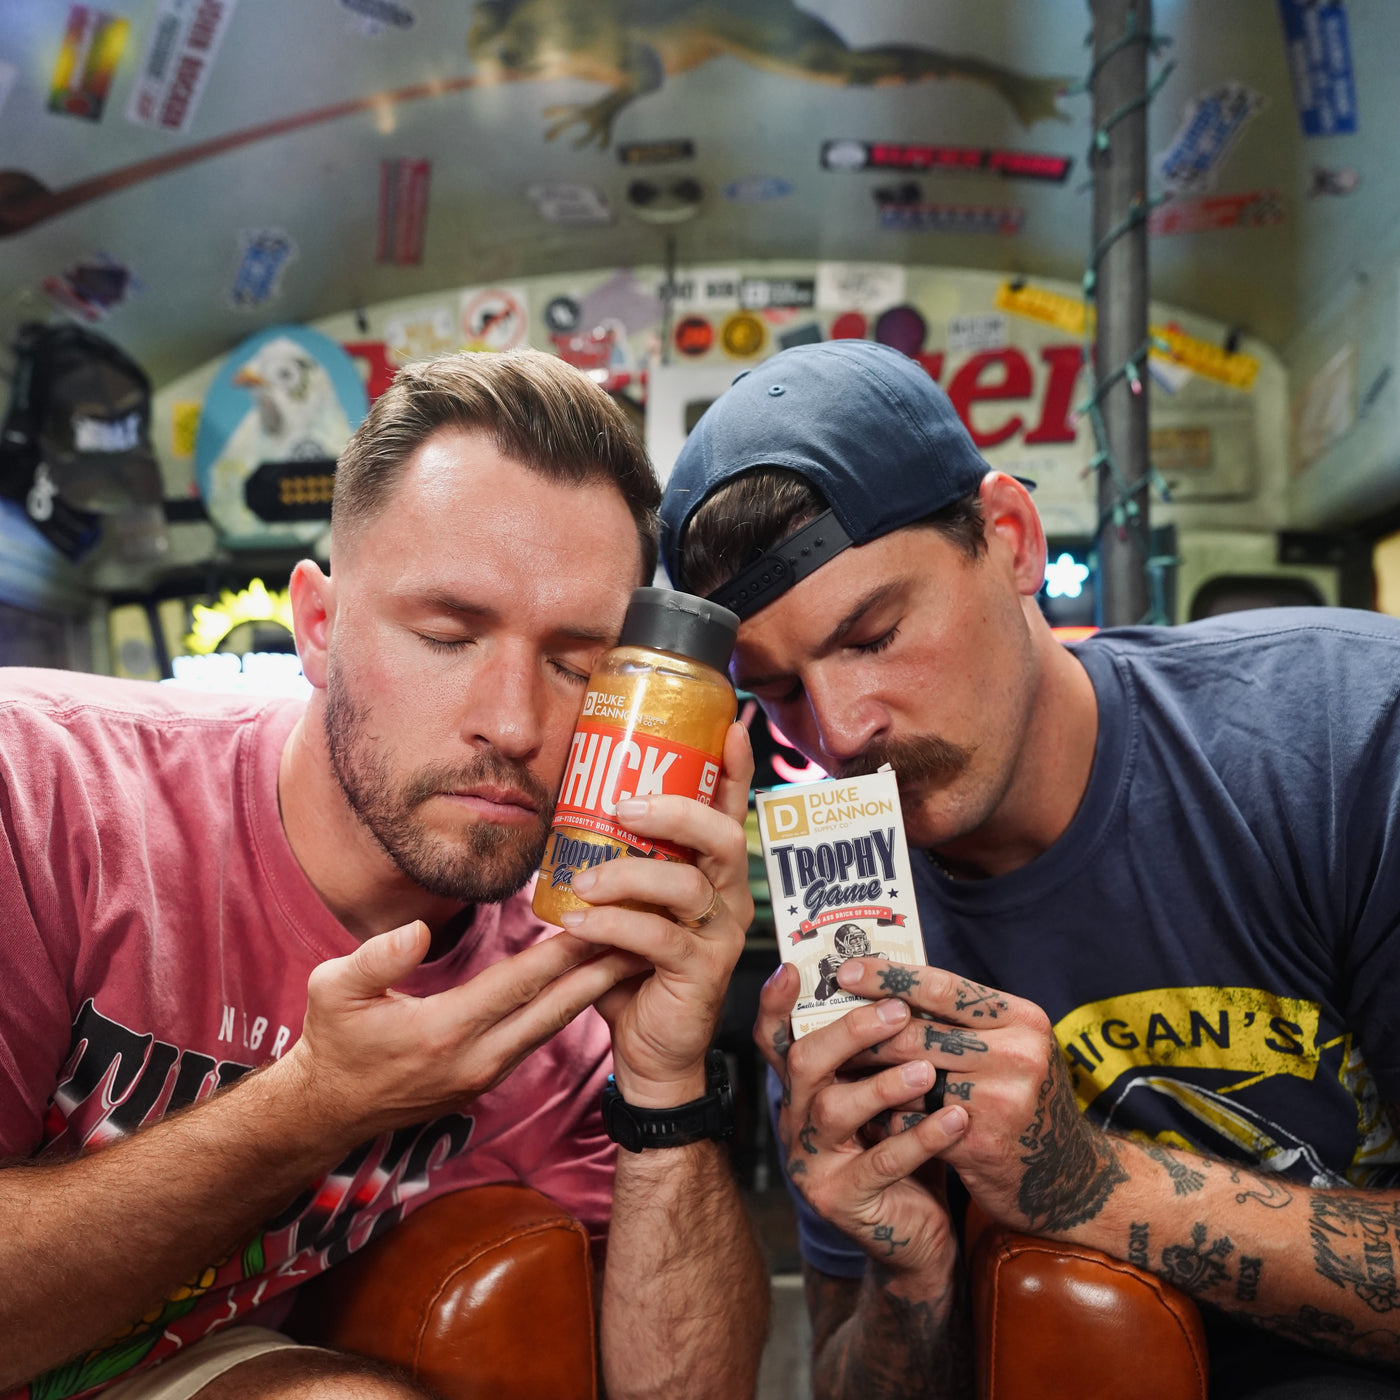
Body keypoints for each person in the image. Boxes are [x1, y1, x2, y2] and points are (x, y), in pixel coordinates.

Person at [0, 349, 768, 1400]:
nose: (513, 720)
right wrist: (313, 1104)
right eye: (448, 635)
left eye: (576, 666)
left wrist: (668, 1078)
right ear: (317, 625)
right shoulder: (41, 785)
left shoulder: (557, 976)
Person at [660, 337, 1400, 1398]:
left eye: (871, 633)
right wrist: (905, 1277)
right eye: (776, 690)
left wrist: (1086, 1180)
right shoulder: (847, 946)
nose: (837, 728)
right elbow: (844, 1378)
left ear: (1007, 538)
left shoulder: (1338, 740)